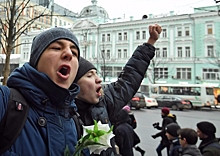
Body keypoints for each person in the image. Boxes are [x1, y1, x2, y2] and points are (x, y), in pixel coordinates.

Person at [73, 24, 162, 156]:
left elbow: (129, 78)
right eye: (90, 75)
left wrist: (150, 43)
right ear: (74, 85)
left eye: (96, 74)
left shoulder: (104, 103)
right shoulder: (63, 115)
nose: (99, 79)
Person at [0, 27, 83, 155]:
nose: (69, 54)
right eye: (57, 48)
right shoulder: (5, 101)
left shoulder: (74, 123)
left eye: (74, 52)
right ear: (36, 60)